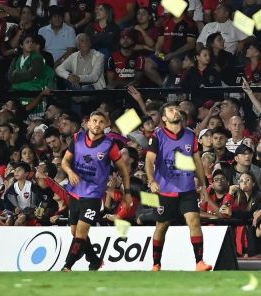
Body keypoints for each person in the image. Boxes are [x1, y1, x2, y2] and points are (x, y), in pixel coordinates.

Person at [141, 85, 212, 272]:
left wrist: (203, 185)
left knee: (194, 221)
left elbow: (197, 161)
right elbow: (149, 161)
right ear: (164, 118)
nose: (175, 111)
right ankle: (156, 264)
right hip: (166, 190)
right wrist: (151, 180)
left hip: (187, 188)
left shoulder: (190, 135)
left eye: (176, 109)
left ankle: (199, 262)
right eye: (171, 110)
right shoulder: (157, 136)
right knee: (162, 226)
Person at [60, 110, 133, 271]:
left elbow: (123, 170)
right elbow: (64, 161)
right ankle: (94, 260)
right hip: (75, 191)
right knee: (74, 231)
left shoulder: (109, 145)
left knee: (81, 232)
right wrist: (70, 172)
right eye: (94, 121)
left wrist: (127, 193)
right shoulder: (77, 139)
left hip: (93, 194)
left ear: (106, 125)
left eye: (101, 122)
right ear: (88, 123)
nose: (97, 124)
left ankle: (67, 266)